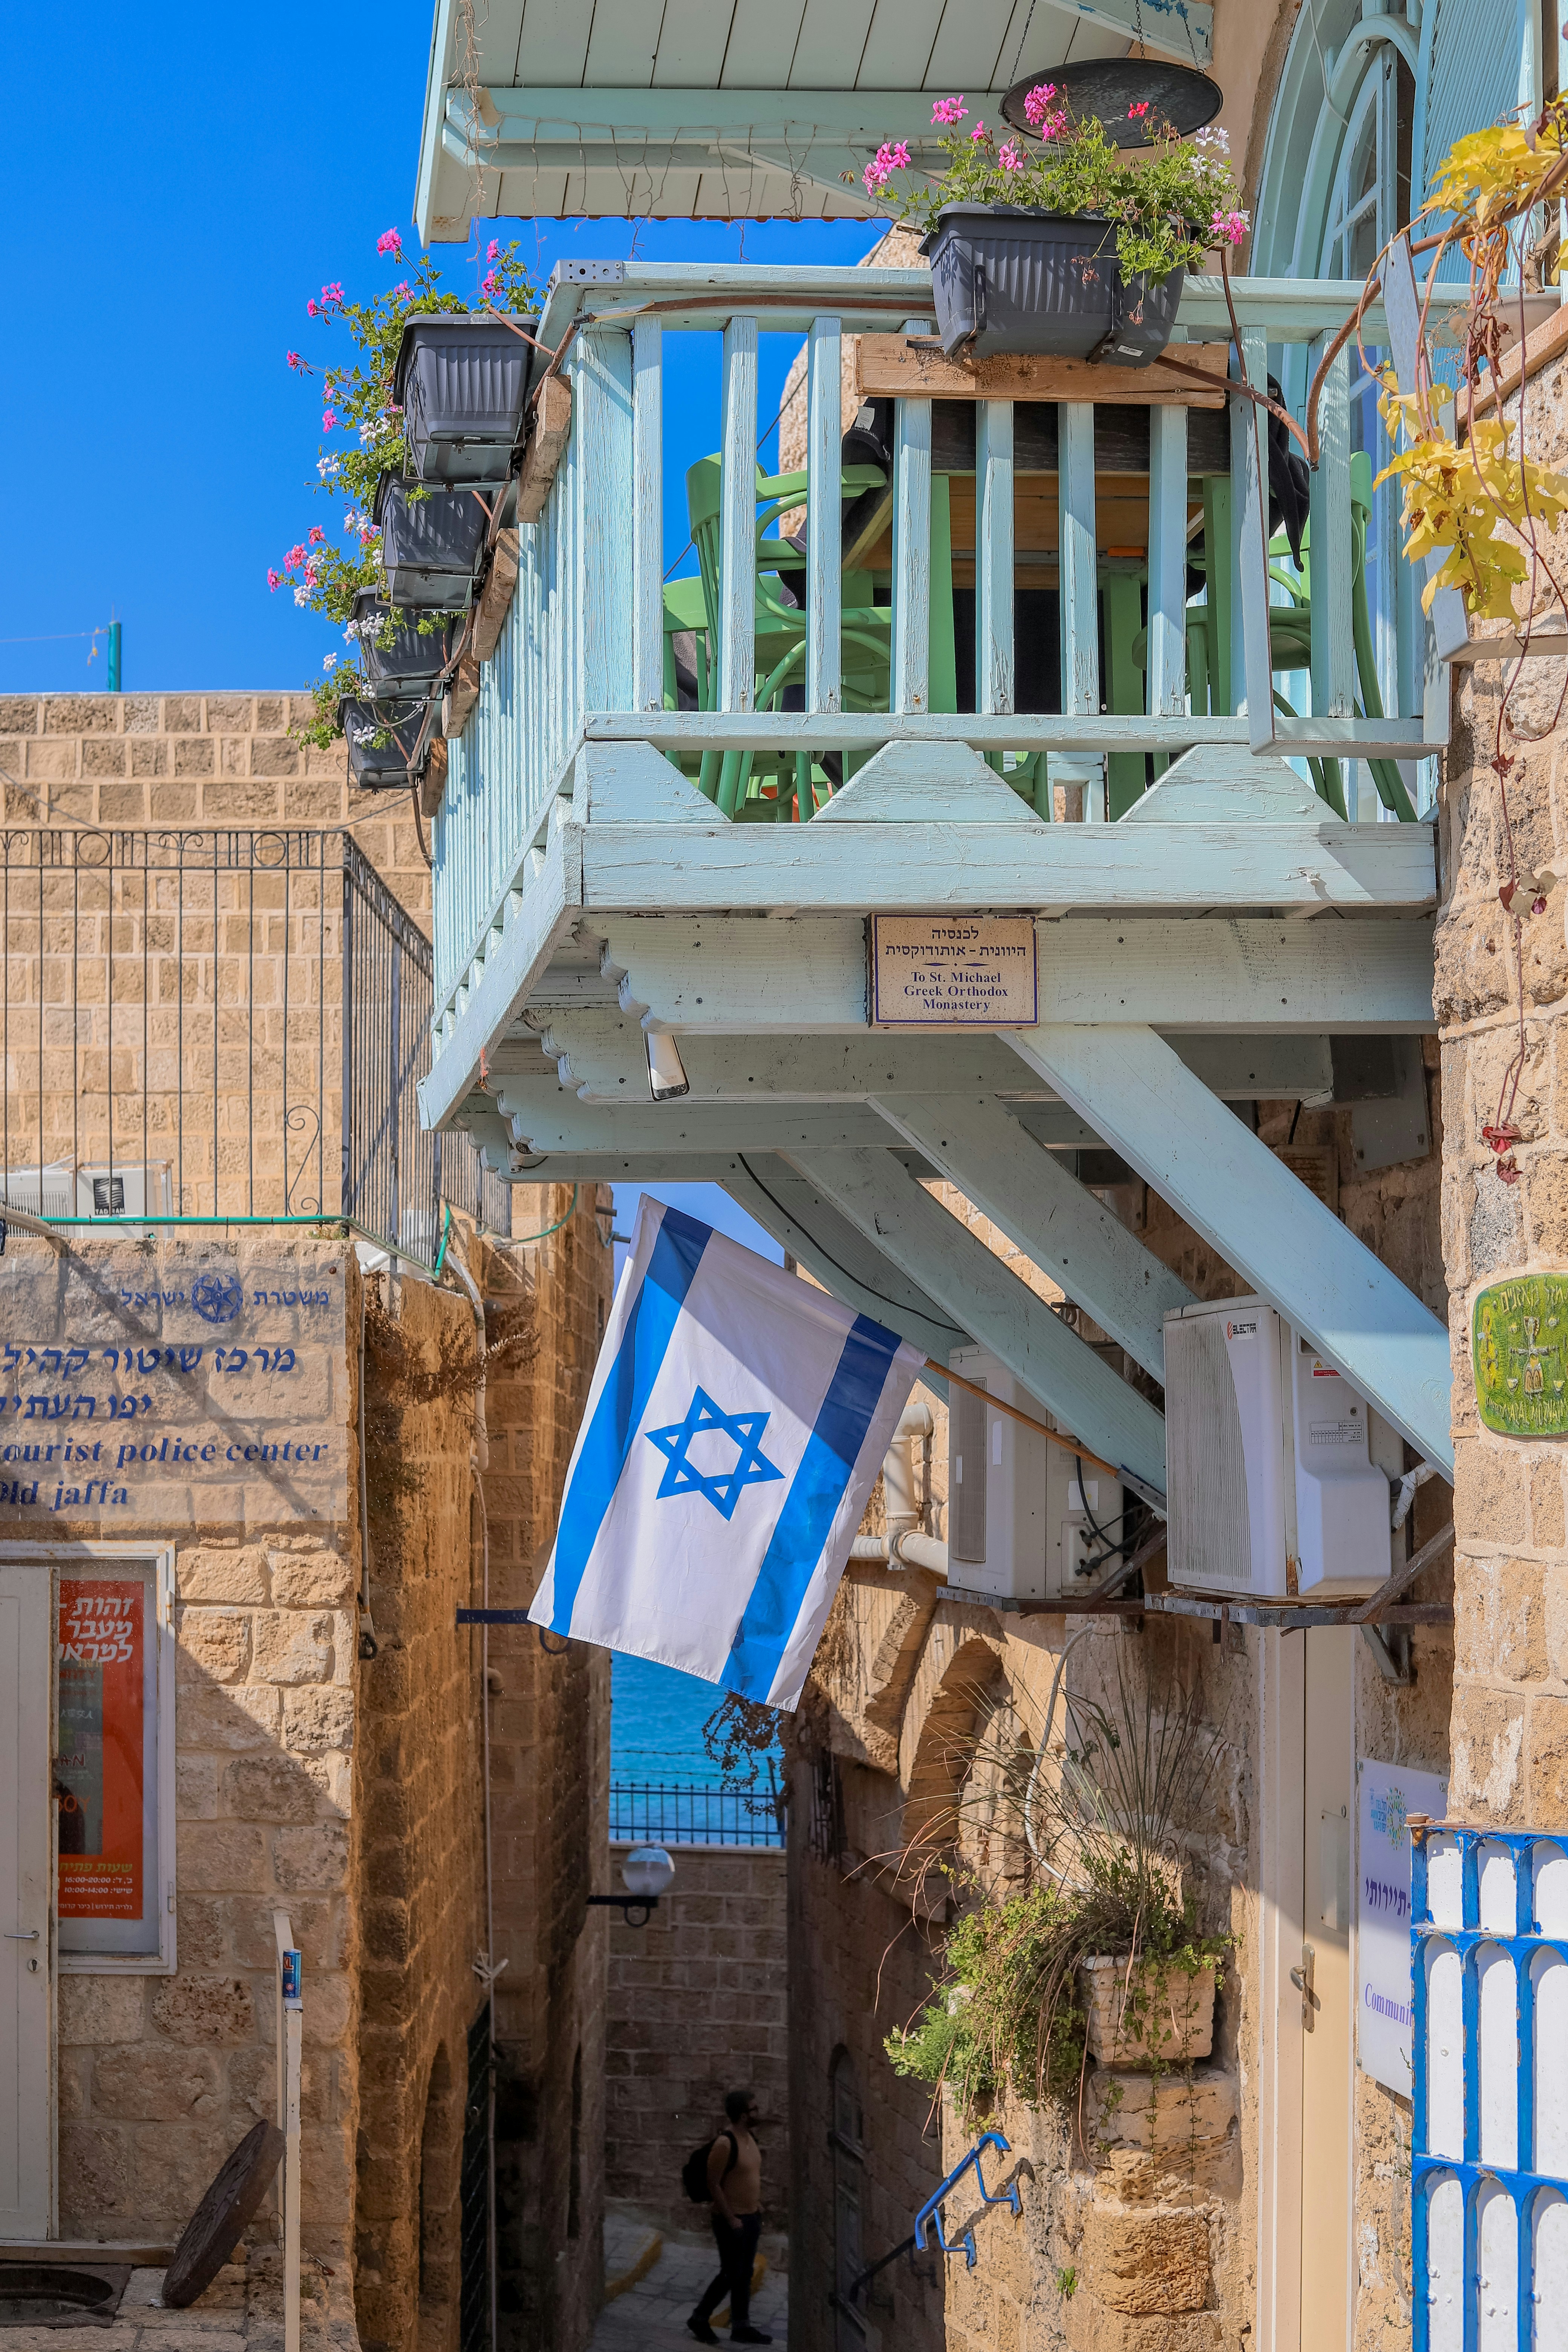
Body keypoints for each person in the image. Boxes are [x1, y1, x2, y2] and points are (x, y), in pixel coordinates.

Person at [687, 2088, 771, 2345]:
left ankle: (741, 2326)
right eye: (754, 2109)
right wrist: (731, 2218)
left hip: (751, 2217)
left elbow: (749, 2176)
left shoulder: (750, 2138)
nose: (758, 2113)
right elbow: (714, 2184)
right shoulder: (726, 2143)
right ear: (743, 2115)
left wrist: (757, 2207)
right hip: (731, 2221)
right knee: (731, 2273)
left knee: (744, 2273)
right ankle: (700, 2317)